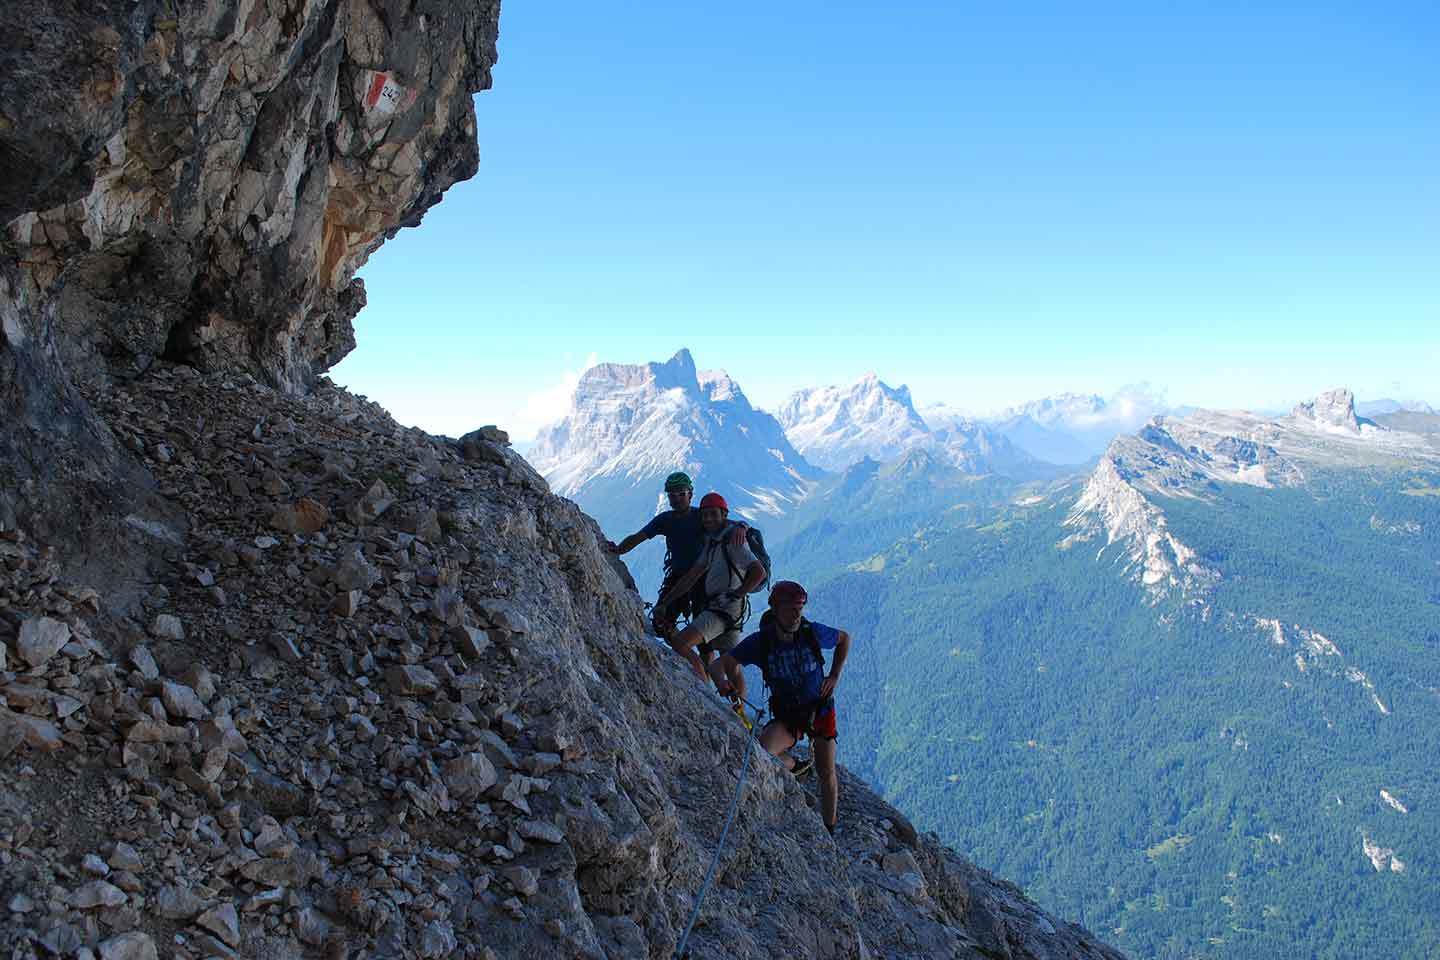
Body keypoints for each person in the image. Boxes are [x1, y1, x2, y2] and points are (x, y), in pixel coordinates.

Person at [710, 580, 850, 835]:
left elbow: (844, 639)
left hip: (820, 709)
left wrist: (834, 676)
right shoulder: (762, 642)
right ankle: (794, 767)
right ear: (775, 609)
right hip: (789, 716)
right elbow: (721, 665)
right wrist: (729, 687)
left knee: (826, 772)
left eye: (800, 607)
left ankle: (829, 830)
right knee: (763, 752)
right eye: (791, 608)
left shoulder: (812, 632)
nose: (797, 613)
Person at [606, 472, 746, 639]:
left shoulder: (700, 516)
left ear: (690, 495)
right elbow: (638, 537)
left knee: (702, 638)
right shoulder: (666, 520)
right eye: (673, 495)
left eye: (681, 494)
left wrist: (742, 527)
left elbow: (727, 524)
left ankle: (688, 653)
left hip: (702, 577)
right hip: (681, 576)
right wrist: (620, 549)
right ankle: (682, 651)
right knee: (661, 620)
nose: (677, 499)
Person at [655, 492, 765, 703]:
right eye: (705, 515)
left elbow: (759, 572)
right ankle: (739, 710)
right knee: (731, 664)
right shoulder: (713, 541)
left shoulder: (734, 540)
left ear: (724, 515)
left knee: (681, 643)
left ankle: (704, 695)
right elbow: (692, 576)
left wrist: (736, 593)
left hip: (723, 608)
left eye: (713, 515)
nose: (708, 519)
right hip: (732, 608)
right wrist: (667, 602)